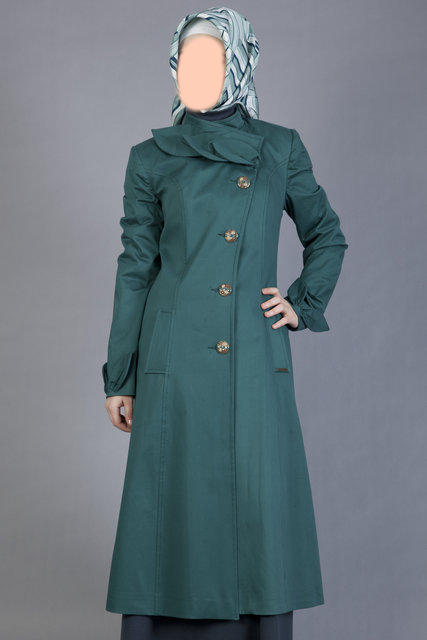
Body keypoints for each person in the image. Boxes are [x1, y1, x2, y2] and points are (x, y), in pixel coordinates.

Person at [102, 7, 349, 640]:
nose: (193, 71)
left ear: (238, 63)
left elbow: (326, 235)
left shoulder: (279, 147)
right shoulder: (149, 157)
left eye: (209, 58)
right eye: (184, 58)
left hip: (251, 358)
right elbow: (135, 268)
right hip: (174, 362)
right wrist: (121, 375)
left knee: (254, 517)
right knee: (172, 516)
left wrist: (302, 303)